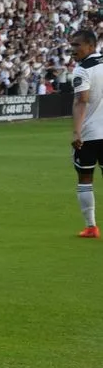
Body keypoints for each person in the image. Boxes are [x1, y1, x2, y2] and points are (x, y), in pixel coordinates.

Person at [70, 29, 103, 239]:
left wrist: (76, 132)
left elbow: (81, 100)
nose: (73, 50)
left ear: (90, 46)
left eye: (77, 45)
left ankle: (91, 227)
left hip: (90, 133)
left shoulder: (82, 70)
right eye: (72, 45)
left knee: (85, 178)